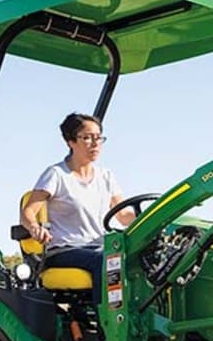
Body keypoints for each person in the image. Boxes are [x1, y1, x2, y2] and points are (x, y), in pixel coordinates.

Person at [21, 113, 134, 293]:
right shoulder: (56, 175)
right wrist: (35, 227)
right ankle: (107, 318)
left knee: (141, 259)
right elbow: (28, 212)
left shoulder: (106, 176)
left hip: (99, 246)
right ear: (70, 142)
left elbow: (123, 215)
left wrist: (155, 219)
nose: (95, 143)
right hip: (64, 250)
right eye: (87, 138)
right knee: (105, 261)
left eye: (98, 137)